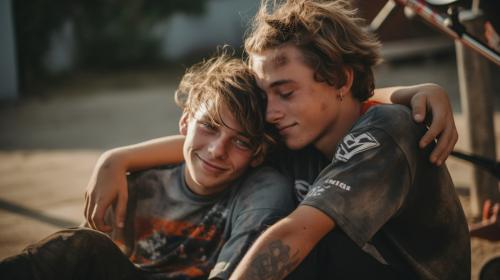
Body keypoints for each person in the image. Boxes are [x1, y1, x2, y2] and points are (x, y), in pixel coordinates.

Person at [84, 1, 464, 279]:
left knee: (289, 249)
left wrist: (402, 94)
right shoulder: (299, 133)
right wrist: (118, 159)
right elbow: (223, 145)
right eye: (266, 96)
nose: (270, 113)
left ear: (340, 80)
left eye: (285, 92)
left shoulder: (385, 131)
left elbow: (296, 234)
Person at [0, 54, 297, 279]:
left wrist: (117, 157)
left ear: (257, 153)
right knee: (80, 245)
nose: (217, 150)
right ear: (185, 121)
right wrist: (115, 160)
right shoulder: (138, 186)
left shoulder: (260, 192)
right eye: (209, 126)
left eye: (241, 142)